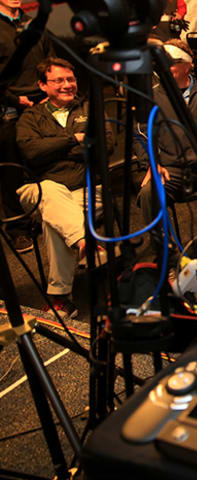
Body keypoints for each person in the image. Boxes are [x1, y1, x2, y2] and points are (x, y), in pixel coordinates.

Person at [15, 58, 113, 318]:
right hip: (39, 188)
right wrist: (74, 139)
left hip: (87, 187)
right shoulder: (31, 117)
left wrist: (54, 147)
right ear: (43, 85)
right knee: (49, 190)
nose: (67, 85)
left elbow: (104, 147)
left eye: (70, 79)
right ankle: (87, 242)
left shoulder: (91, 108)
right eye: (59, 80)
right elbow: (31, 152)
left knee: (53, 221)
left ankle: (59, 298)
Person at [139, 40, 197, 259]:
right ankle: (166, 254)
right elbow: (139, 134)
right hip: (174, 168)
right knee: (149, 193)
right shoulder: (152, 96)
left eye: (173, 62)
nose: (167, 67)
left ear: (188, 65)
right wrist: (152, 162)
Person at [0, 0, 54, 253]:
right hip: (9, 105)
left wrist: (49, 90)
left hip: (41, 99)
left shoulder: (33, 24)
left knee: (46, 159)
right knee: (11, 170)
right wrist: (14, 100)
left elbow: (50, 59)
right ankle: (18, 229)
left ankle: (49, 216)